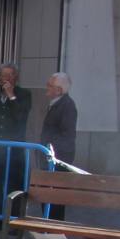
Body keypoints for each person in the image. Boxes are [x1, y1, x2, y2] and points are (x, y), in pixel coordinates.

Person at [0, 63, 32, 222]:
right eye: (3, 75)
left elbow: (21, 117)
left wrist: (11, 96)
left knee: (14, 186)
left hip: (14, 149)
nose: (6, 79)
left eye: (10, 75)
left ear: (15, 77)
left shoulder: (24, 95)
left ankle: (15, 220)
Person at [42, 72, 78, 220]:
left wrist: (52, 153)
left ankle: (54, 226)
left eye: (50, 85)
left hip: (58, 158)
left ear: (58, 90)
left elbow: (67, 135)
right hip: (51, 157)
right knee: (48, 195)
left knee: (55, 197)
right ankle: (48, 224)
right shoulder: (56, 103)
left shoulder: (67, 106)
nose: (47, 88)